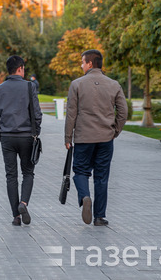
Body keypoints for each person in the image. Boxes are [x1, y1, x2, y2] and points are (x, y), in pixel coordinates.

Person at [64, 49, 127, 227]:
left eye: (82, 62)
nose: (81, 65)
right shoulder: (114, 85)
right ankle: (99, 216)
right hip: (106, 138)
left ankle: (84, 196)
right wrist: (115, 131)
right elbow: (123, 112)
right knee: (101, 177)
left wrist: (68, 137)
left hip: (84, 137)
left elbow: (71, 114)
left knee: (81, 171)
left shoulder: (77, 84)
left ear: (90, 63)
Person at [0, 56, 42, 226]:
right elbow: (37, 113)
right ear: (20, 68)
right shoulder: (29, 86)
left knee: (11, 176)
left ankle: (16, 216)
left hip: (7, 137)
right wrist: (35, 132)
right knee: (28, 172)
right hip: (27, 136)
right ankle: (23, 203)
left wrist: (0, 134)